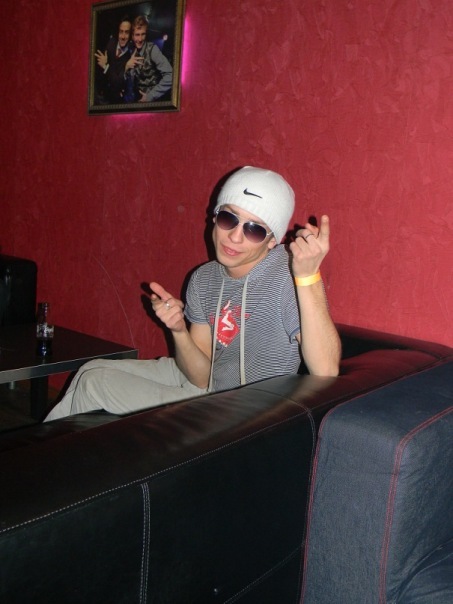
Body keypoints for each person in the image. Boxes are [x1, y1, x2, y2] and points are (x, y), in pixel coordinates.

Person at [44, 166, 341, 422]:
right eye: (229, 218)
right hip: (208, 383)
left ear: (272, 240)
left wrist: (308, 276)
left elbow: (326, 371)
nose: (234, 237)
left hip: (243, 411)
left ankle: (38, 463)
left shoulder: (288, 274)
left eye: (254, 230)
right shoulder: (204, 278)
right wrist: (178, 330)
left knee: (95, 383)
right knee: (90, 369)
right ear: (215, 216)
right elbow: (200, 376)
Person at [123, 15, 173, 103]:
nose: (140, 39)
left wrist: (151, 96)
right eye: (137, 35)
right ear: (132, 36)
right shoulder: (130, 50)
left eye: (143, 34)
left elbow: (171, 76)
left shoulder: (152, 50)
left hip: (153, 103)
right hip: (135, 103)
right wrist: (126, 67)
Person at [94, 17, 133, 104]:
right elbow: (99, 71)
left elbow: (118, 83)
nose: (123, 37)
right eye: (121, 32)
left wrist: (105, 67)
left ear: (131, 35)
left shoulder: (131, 56)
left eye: (126, 32)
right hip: (101, 95)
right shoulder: (111, 43)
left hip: (116, 101)